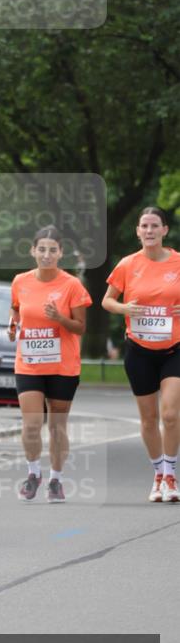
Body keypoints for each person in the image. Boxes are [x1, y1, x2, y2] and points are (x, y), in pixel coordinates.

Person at [8, 225, 92, 503]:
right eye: (41, 249)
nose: (46, 255)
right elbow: (17, 309)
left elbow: (80, 328)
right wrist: (12, 325)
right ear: (33, 251)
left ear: (60, 253)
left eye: (52, 250)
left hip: (62, 365)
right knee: (31, 424)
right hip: (29, 363)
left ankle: (56, 479)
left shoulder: (72, 285)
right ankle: (34, 473)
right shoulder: (20, 281)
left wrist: (59, 318)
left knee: (57, 426)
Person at [102, 206, 180, 504]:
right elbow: (107, 301)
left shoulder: (178, 262)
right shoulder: (127, 264)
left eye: (154, 226)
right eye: (144, 226)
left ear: (164, 231)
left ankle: (171, 474)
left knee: (170, 415)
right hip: (139, 351)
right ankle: (158, 474)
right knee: (148, 419)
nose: (149, 231)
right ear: (137, 231)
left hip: (174, 349)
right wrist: (125, 309)